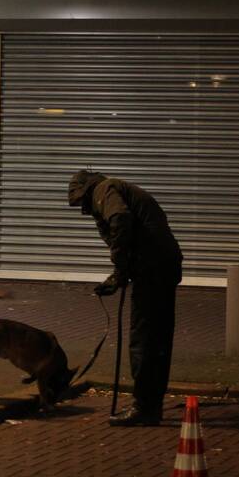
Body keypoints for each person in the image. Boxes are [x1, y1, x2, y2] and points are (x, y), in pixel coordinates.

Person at [67, 170, 183, 427]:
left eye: (82, 203)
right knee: (158, 341)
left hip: (152, 269)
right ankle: (151, 404)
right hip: (163, 266)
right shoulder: (119, 189)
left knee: (144, 339)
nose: (84, 211)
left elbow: (120, 218)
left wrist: (120, 269)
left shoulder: (104, 189)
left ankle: (144, 408)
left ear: (86, 191)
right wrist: (121, 273)